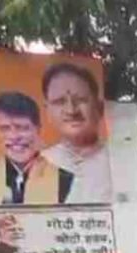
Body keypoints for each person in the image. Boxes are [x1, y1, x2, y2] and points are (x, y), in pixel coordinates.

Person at [41, 63, 111, 203]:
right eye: (60, 102)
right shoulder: (39, 164)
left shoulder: (120, 162)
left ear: (99, 108)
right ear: (47, 111)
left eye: (80, 100)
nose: (71, 110)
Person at [0, 91, 74, 204]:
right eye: (5, 128)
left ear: (38, 129)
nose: (14, 136)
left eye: (23, 128)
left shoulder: (66, 181)